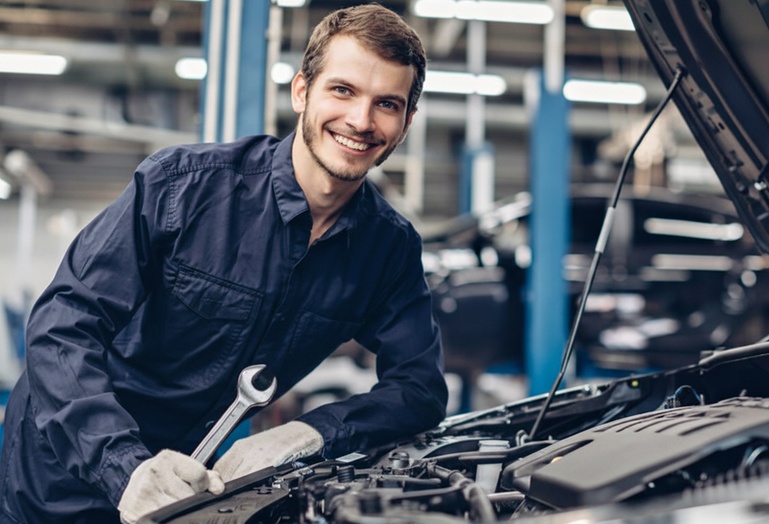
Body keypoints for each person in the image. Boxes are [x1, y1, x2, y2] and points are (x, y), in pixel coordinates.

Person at [0, 4, 448, 523]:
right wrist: (124, 468)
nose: (361, 121)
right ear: (301, 92)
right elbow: (62, 328)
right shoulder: (181, 188)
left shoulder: (388, 249)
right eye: (343, 90)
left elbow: (419, 388)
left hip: (193, 484)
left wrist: (309, 432)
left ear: (406, 122)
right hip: (61, 474)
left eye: (386, 104)